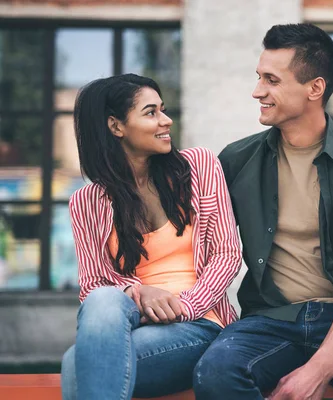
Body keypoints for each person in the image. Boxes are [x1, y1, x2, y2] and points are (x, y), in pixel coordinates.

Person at [194, 23, 333, 400]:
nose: (257, 92)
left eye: (271, 80)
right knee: (216, 372)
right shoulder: (236, 161)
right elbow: (196, 240)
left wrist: (319, 369)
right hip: (269, 319)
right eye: (258, 77)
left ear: (314, 88)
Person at [60, 74, 242, 399]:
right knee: (102, 298)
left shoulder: (198, 166)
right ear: (116, 127)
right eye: (151, 112)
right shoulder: (86, 202)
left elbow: (226, 254)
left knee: (75, 364)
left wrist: (184, 305)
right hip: (133, 324)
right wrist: (139, 291)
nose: (166, 120)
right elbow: (92, 284)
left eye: (163, 109)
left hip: (200, 322)